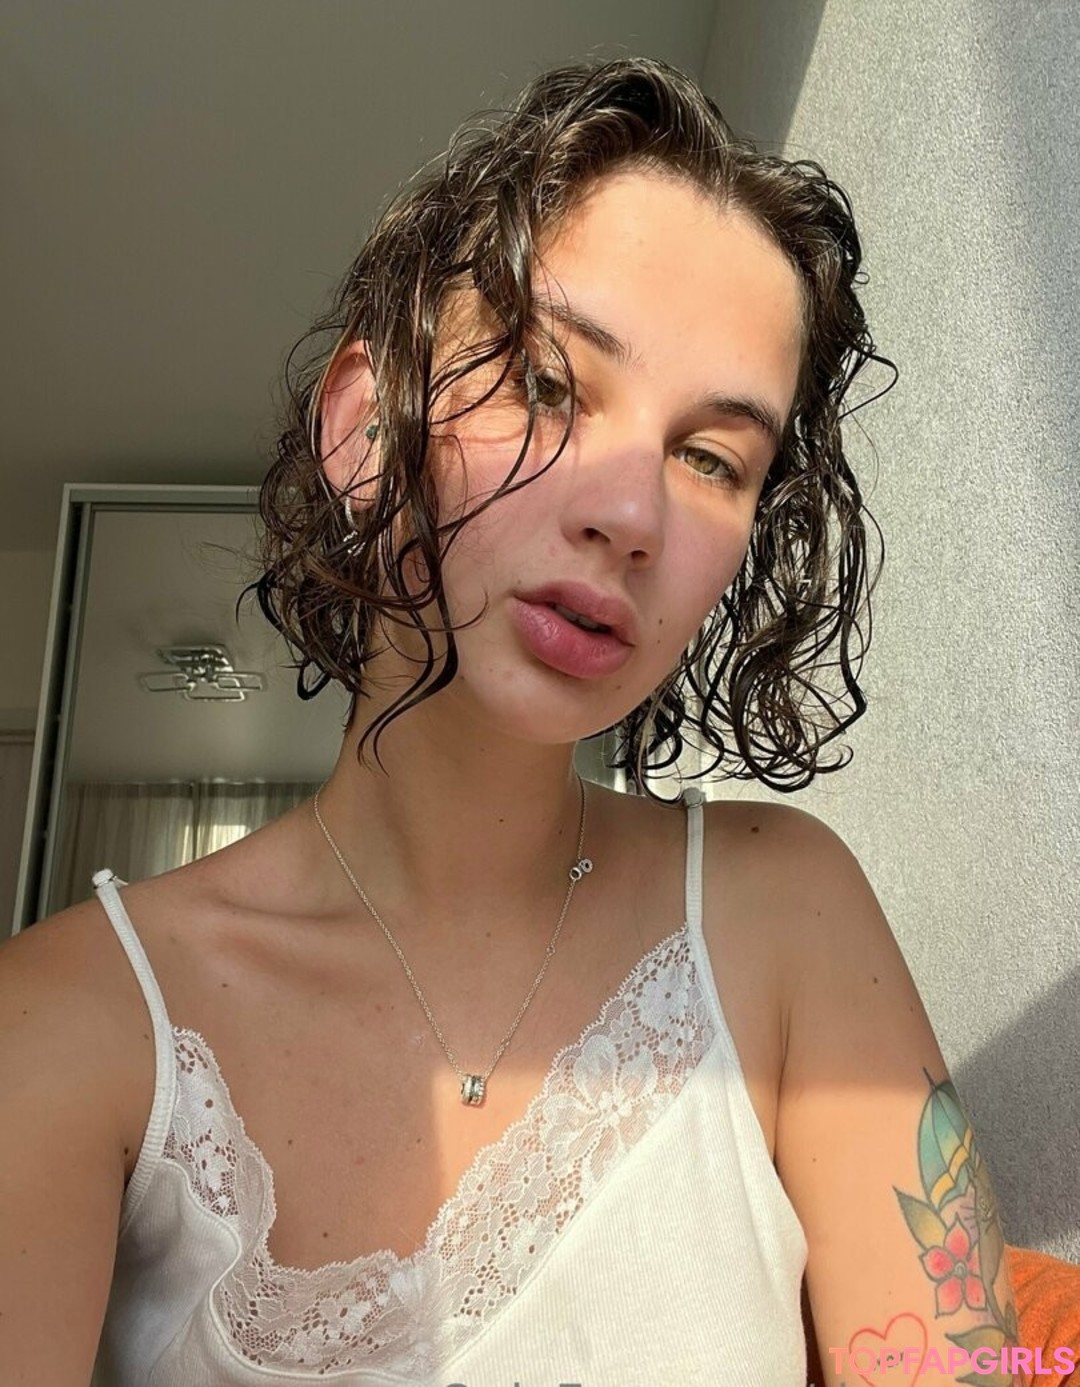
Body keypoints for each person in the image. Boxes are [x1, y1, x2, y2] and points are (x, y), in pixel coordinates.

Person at [0, 57, 1028, 1387]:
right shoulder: (71, 1022)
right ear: (367, 431)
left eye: (711, 459)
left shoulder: (786, 919)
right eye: (549, 384)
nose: (632, 514)